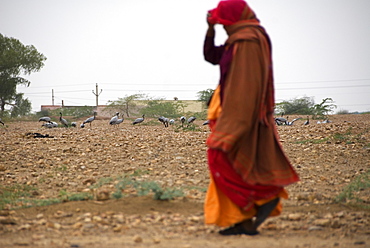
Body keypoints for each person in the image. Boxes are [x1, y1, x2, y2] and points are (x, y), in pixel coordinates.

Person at [203, 0, 299, 236]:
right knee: (238, 165)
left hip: (241, 113)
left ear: (234, 21)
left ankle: (262, 198)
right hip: (232, 110)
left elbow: (245, 87)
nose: (223, 27)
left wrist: (237, 122)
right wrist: (210, 29)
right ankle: (243, 221)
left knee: (219, 156)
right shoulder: (237, 40)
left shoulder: (248, 41)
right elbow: (212, 56)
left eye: (223, 22)